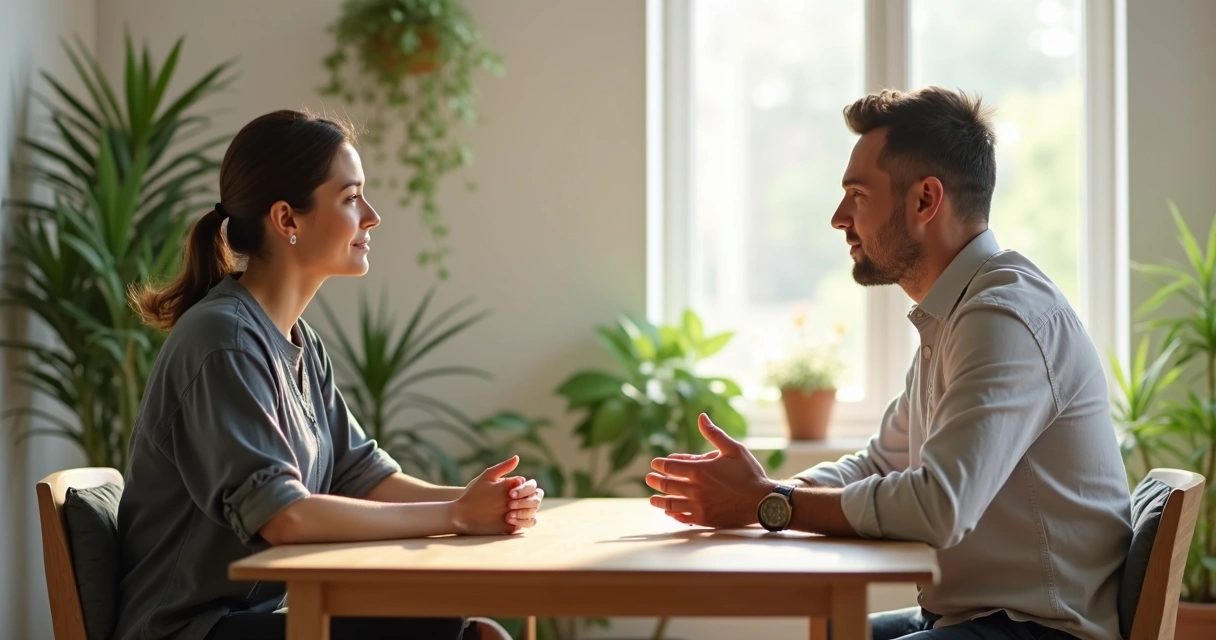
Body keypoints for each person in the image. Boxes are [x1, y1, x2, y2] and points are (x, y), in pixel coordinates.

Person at [645, 87, 1132, 640]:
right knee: (829, 631)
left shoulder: (1002, 319)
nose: (837, 218)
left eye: (857, 194)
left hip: (1042, 630)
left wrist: (768, 503)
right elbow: (883, 462)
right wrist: (766, 491)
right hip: (973, 620)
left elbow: (937, 507)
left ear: (925, 201)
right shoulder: (955, 314)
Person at [114, 110, 543, 640]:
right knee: (441, 631)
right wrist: (454, 515)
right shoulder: (221, 341)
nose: (372, 216)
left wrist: (480, 503)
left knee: (471, 630)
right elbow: (284, 517)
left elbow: (364, 478)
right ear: (287, 220)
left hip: (253, 621)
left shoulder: (297, 342)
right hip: (187, 630)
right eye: (350, 197)